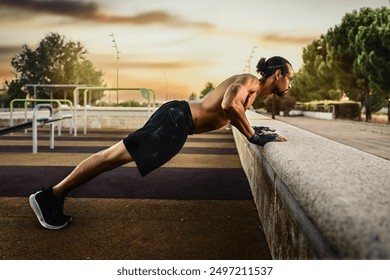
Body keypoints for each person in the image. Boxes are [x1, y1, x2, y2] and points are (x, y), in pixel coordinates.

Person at [29, 56, 293, 230]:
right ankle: (51, 196)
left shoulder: (253, 92)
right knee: (111, 157)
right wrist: (254, 136)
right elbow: (229, 104)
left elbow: (233, 114)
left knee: (112, 158)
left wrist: (254, 128)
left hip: (177, 120)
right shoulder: (249, 82)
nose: (290, 84)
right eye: (289, 78)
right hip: (177, 120)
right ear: (278, 74)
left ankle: (53, 195)